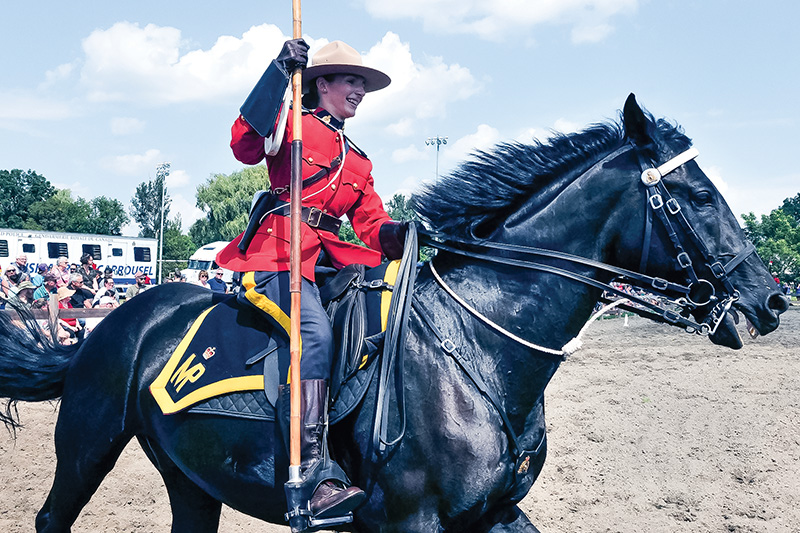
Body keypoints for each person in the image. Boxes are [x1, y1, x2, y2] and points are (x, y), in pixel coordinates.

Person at [216, 39, 407, 520]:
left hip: (325, 260)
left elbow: (370, 225)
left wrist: (405, 234)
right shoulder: (292, 126)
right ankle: (314, 475)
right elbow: (242, 144)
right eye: (352, 81)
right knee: (314, 333)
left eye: (363, 84)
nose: (360, 90)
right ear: (322, 84)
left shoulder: (358, 160)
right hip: (276, 255)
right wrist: (278, 72)